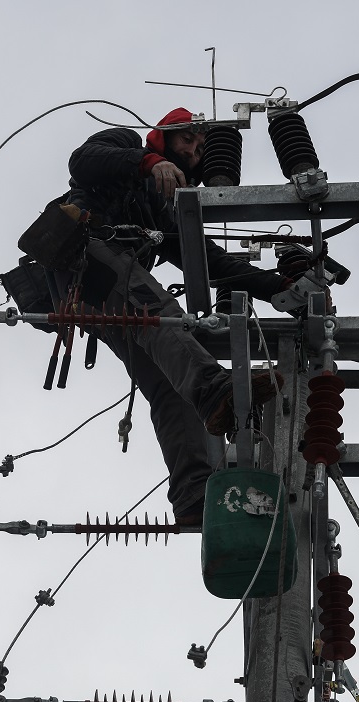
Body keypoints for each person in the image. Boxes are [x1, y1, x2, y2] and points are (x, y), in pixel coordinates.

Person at [55, 108, 285, 525]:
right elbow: (82, 161)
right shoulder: (126, 146)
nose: (193, 152)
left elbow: (210, 262)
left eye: (199, 150)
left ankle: (193, 494)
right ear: (163, 135)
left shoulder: (163, 213)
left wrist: (278, 287)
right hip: (84, 256)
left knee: (168, 380)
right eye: (187, 141)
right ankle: (214, 386)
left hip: (102, 295)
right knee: (162, 315)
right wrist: (150, 161)